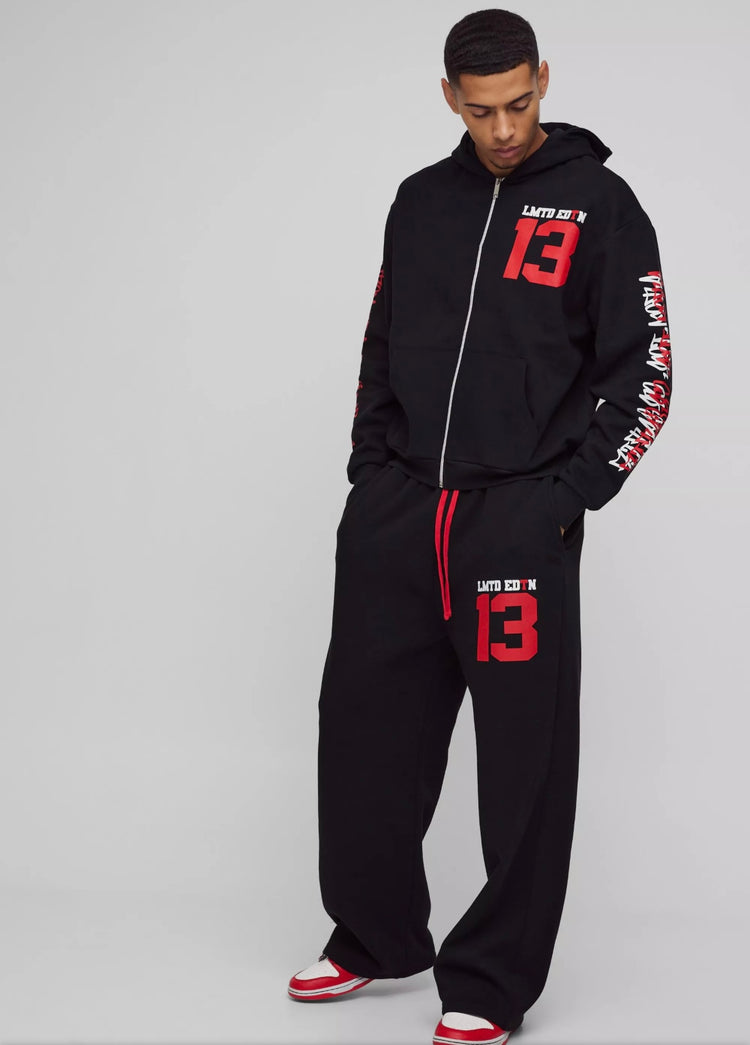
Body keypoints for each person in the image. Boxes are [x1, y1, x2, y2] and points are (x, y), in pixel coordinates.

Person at [287, 8, 673, 1044]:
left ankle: (493, 982)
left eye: (519, 103)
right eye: (480, 110)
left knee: (522, 765)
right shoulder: (420, 202)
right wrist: (372, 479)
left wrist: (562, 498)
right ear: (449, 98)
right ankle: (373, 935)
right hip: (401, 517)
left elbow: (647, 372)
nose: (503, 129)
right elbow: (379, 347)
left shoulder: (600, 206)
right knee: (364, 738)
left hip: (515, 526)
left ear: (544, 80)